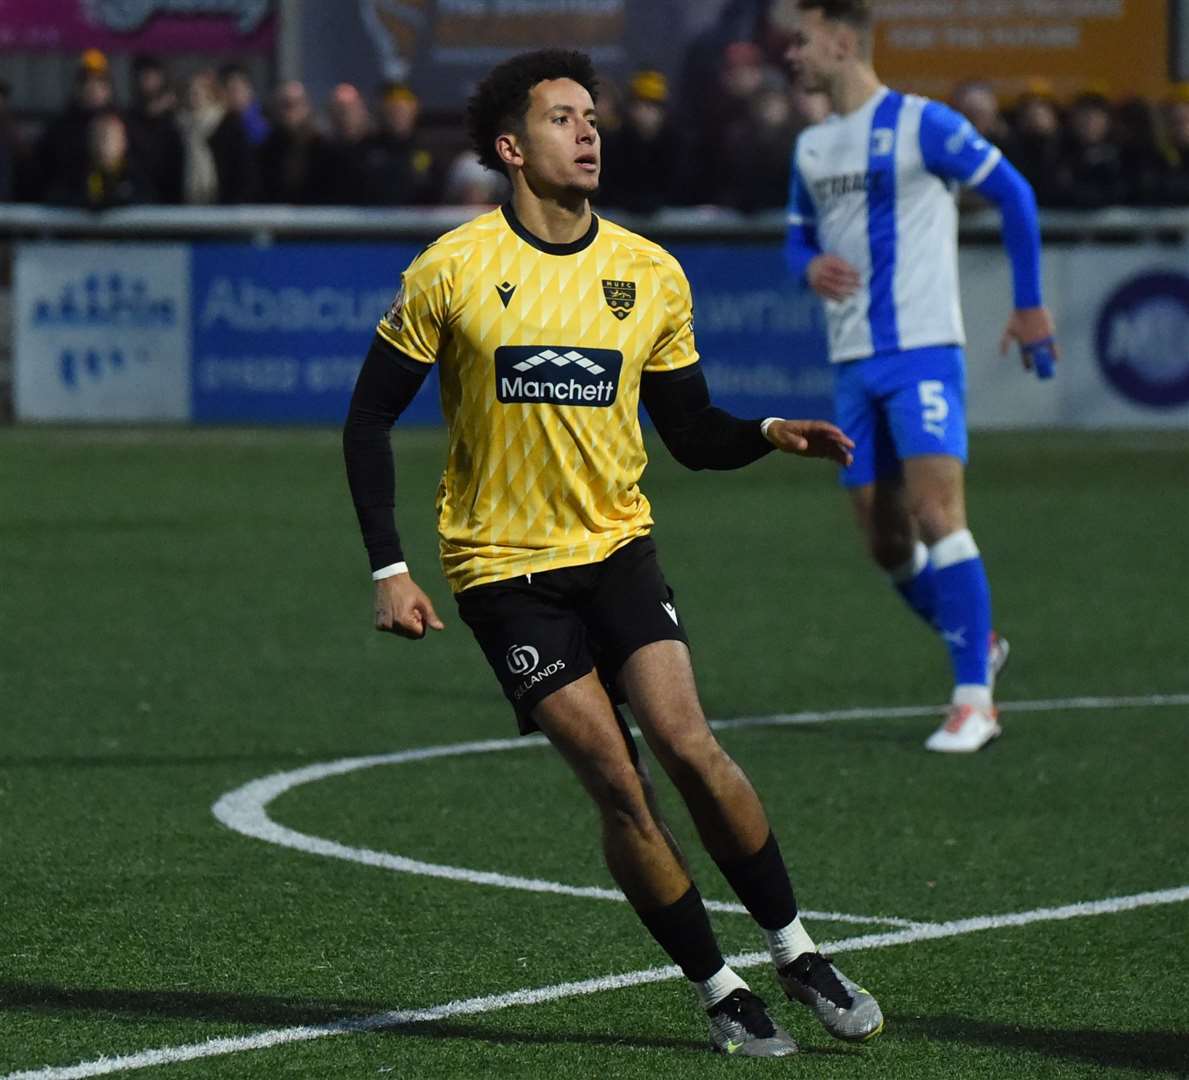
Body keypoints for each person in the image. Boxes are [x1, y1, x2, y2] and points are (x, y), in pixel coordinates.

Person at [343, 48, 883, 1057]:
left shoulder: (647, 273)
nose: (588, 132)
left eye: (590, 116)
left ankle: (796, 949)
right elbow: (366, 419)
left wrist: (764, 431)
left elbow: (687, 433)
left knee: (691, 747)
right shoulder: (452, 268)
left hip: (617, 550)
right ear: (511, 147)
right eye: (561, 118)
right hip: (504, 573)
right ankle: (718, 986)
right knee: (615, 779)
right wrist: (389, 566)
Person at [781, 0, 1058, 752]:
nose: (791, 54)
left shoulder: (923, 123)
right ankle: (977, 637)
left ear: (840, 42)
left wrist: (1028, 306)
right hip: (850, 363)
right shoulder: (810, 147)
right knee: (882, 537)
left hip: (923, 350)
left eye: (801, 40)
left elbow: (1014, 195)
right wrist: (807, 264)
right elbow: (793, 236)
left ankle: (975, 700)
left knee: (939, 512)